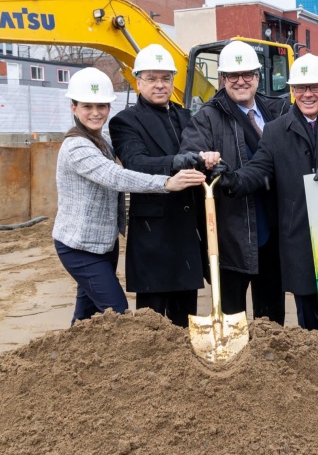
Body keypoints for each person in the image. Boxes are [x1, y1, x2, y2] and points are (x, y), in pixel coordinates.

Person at [216, 53, 318, 331]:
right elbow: (258, 169)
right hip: (298, 237)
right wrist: (231, 181)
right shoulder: (274, 132)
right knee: (309, 319)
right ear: (292, 91)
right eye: (300, 88)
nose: (307, 94)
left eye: (315, 87)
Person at [53, 67, 205, 326]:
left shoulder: (101, 141)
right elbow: (117, 176)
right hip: (80, 247)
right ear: (74, 108)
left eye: (101, 106)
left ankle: (75, 362)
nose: (95, 112)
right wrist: (168, 183)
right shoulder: (77, 146)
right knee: (118, 314)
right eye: (87, 106)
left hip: (102, 244)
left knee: (86, 316)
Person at [179, 41, 289, 324]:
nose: (241, 81)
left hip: (273, 234)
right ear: (222, 79)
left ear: (258, 76)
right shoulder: (207, 117)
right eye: (232, 76)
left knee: (272, 320)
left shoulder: (279, 110)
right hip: (231, 236)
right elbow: (188, 156)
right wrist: (202, 158)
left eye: (247, 75)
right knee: (232, 318)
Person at [109, 44, 218, 328]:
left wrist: (210, 161)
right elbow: (135, 162)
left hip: (186, 231)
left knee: (186, 318)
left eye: (166, 78)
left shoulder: (186, 117)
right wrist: (176, 162)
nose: (160, 85)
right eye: (152, 78)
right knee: (152, 323)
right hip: (153, 235)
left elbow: (202, 154)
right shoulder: (125, 121)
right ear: (138, 81)